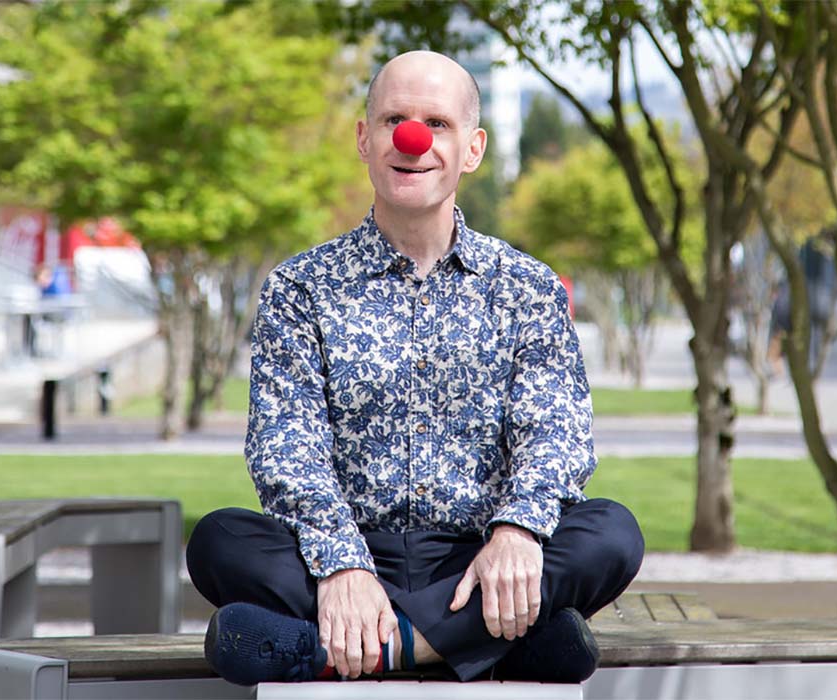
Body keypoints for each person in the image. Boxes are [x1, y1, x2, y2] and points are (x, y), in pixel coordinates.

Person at [185, 50, 644, 686]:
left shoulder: (529, 287)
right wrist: (343, 566)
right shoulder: (299, 288)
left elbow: (555, 436)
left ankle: (377, 648)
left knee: (612, 533)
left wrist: (515, 534)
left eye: (437, 123)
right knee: (217, 541)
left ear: (473, 149)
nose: (413, 139)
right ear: (365, 139)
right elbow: (286, 448)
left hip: (478, 559)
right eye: (395, 118)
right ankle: (495, 644)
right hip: (341, 553)